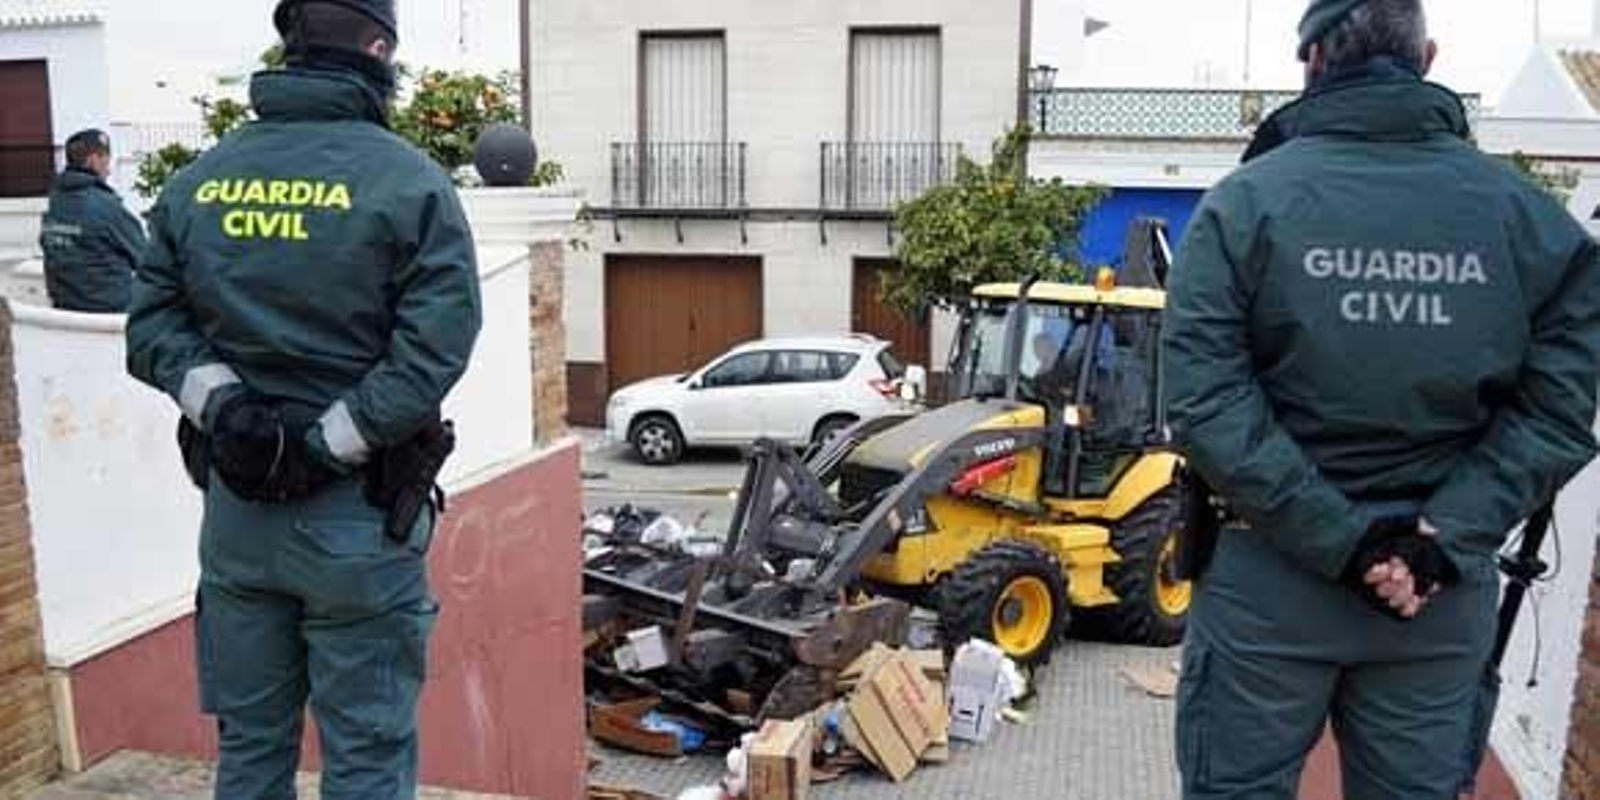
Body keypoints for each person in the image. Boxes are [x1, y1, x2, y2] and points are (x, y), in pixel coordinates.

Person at [1162, 1, 1600, 798]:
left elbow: (1203, 403)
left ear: (1313, 64)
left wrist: (1346, 543)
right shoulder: (1531, 223)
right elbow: (1561, 410)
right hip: (1434, 597)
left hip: (1271, 582)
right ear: (1427, 56)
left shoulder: (1242, 205)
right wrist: (1438, 538)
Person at [124, 1, 482, 797]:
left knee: (250, 751)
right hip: (357, 522)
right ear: (380, 49)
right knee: (366, 759)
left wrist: (232, 416)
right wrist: (324, 445)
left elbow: (151, 326)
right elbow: (433, 351)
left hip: (238, 520)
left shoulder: (199, 181)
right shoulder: (409, 183)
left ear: (289, 46)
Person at [38, 129, 147, 313]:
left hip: (65, 309)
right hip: (111, 313)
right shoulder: (106, 205)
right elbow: (147, 259)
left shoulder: (55, 201)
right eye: (106, 160)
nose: (109, 169)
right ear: (93, 160)